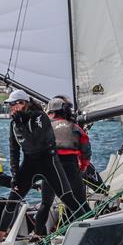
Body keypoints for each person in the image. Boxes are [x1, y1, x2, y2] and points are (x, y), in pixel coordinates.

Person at [0, 90, 88, 241]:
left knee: (67, 197)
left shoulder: (40, 117)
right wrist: (15, 174)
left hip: (49, 162)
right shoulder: (14, 124)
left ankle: (87, 226)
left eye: (13, 104)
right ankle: (0, 234)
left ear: (23, 103)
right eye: (9, 105)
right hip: (29, 164)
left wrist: (22, 125)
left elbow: (38, 142)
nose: (11, 108)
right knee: (13, 199)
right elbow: (14, 150)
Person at [33, 96, 91, 235]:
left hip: (50, 166)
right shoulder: (76, 127)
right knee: (81, 202)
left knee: (45, 204)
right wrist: (82, 168)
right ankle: (89, 231)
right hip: (70, 166)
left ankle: (37, 235)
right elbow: (86, 150)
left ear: (51, 113)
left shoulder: (44, 127)